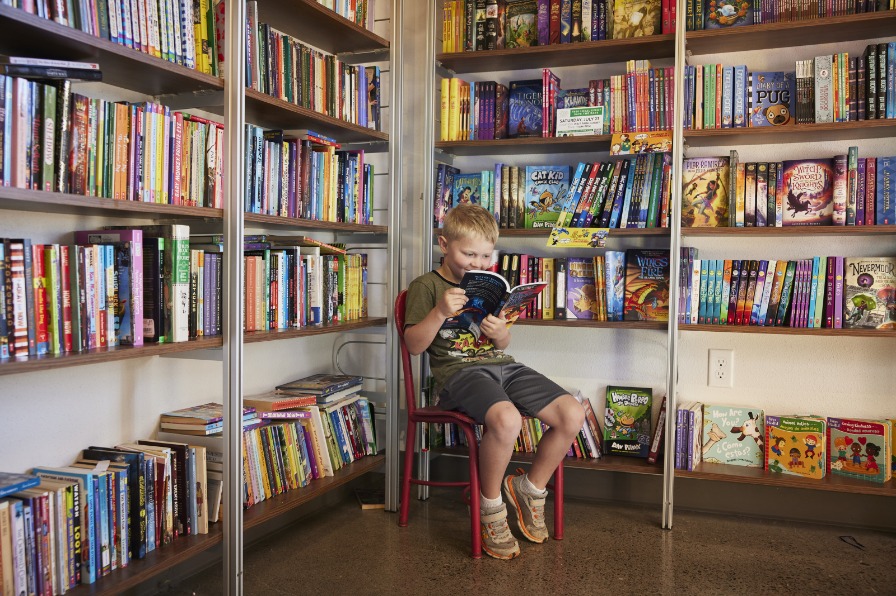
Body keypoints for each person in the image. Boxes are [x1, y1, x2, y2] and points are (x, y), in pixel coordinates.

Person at [402, 204, 585, 560]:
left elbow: (501, 345)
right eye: (468, 253)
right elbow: (413, 347)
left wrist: (501, 333)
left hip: (502, 366)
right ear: (444, 244)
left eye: (485, 255)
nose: (478, 262)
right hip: (459, 375)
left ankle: (528, 489)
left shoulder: (489, 286)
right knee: (507, 419)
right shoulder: (426, 286)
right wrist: (440, 312)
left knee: (572, 414)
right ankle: (490, 508)